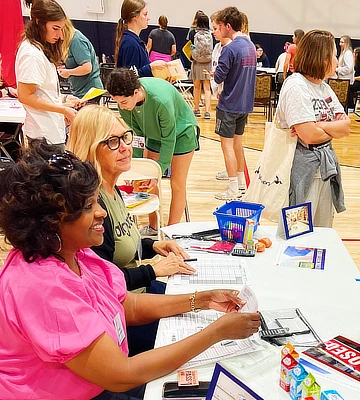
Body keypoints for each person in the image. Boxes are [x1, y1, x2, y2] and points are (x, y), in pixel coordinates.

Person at [0, 139, 261, 400]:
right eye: (89, 207)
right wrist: (215, 333)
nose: (101, 212)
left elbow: (128, 306)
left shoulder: (74, 254)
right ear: (52, 223)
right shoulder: (45, 288)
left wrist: (203, 300)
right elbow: (122, 375)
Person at [67, 105, 196, 355]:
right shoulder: (93, 207)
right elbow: (103, 281)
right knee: (191, 334)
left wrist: (152, 246)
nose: (126, 147)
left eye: (125, 137)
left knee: (197, 308)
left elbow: (124, 243)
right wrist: (154, 270)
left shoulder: (111, 187)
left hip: (137, 293)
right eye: (113, 142)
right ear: (91, 147)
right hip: (121, 310)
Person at [106, 68, 199, 233]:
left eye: (124, 102)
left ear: (136, 92)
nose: (121, 107)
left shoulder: (160, 101)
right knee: (144, 178)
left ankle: (172, 231)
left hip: (181, 134)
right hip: (153, 135)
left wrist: (161, 170)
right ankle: (154, 227)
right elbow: (137, 136)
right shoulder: (125, 106)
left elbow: (169, 138)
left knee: (177, 183)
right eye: (117, 102)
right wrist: (131, 165)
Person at [278, 29, 350, 227]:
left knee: (321, 232)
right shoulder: (296, 86)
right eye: (334, 56)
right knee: (298, 232)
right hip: (300, 172)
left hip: (324, 169)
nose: (337, 61)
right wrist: (327, 128)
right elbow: (308, 135)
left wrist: (320, 125)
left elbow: (346, 127)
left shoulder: (324, 87)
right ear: (321, 57)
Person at [16, 0, 77, 149]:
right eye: (55, 28)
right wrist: (62, 109)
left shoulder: (39, 49)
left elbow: (42, 92)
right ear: (39, 22)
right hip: (44, 136)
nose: (60, 35)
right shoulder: (32, 54)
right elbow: (25, 96)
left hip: (50, 134)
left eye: (61, 29)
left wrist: (64, 99)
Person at [212, 6, 256, 200]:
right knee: (237, 145)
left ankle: (232, 190)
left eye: (220, 25)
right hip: (244, 105)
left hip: (229, 104)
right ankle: (241, 186)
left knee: (227, 147)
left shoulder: (229, 49)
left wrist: (214, 76)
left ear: (228, 26)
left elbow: (219, 76)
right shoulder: (251, 47)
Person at [114, 0, 166, 77]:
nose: (148, 18)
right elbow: (129, 77)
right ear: (135, 16)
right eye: (145, 14)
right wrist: (150, 67)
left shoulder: (134, 41)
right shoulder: (131, 44)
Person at [58, 23, 103, 99]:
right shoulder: (69, 39)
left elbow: (87, 68)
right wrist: (65, 67)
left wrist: (68, 72)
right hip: (80, 90)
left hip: (89, 91)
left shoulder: (76, 40)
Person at [187, 10, 213, 119]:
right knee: (207, 87)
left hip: (197, 62)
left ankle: (196, 109)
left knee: (196, 87)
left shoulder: (193, 32)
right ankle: (207, 112)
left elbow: (189, 46)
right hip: (207, 63)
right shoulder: (210, 34)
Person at [348, 46, 360, 112]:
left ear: (357, 54)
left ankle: (351, 106)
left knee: (349, 88)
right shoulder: (355, 62)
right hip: (356, 82)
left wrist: (354, 78)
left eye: (353, 53)